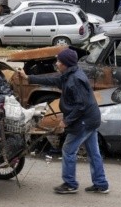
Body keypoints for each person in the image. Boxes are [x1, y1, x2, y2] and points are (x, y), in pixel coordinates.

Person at [18, 48, 109, 194]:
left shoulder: (75, 80)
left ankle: (70, 184)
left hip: (84, 120)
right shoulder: (69, 75)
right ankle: (101, 183)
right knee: (93, 152)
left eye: (58, 61)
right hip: (91, 119)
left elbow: (81, 105)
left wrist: (66, 121)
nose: (56, 63)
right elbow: (52, 80)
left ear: (65, 63)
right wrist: (28, 78)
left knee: (68, 150)